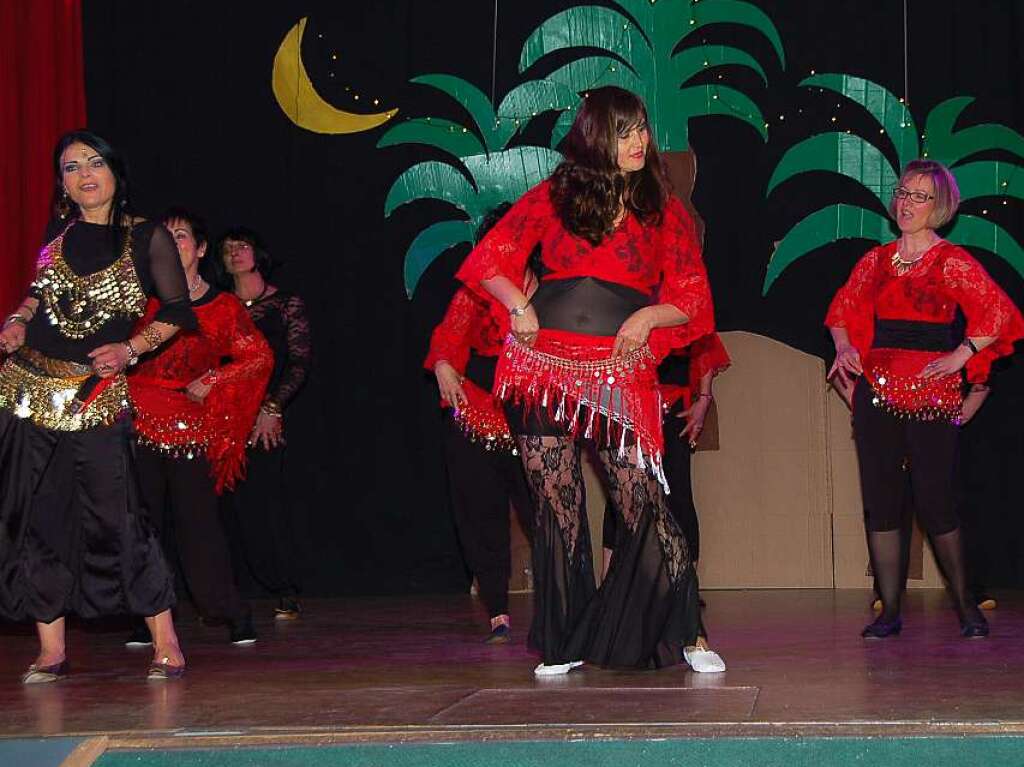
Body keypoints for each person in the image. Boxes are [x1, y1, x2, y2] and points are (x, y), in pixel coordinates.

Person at [456, 86, 725, 675]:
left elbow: (693, 297)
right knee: (558, 510)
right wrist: (517, 306)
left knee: (646, 504)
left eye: (642, 129)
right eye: (625, 131)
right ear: (596, 136)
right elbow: (490, 258)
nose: (639, 141)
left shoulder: (663, 206)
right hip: (542, 369)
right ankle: (564, 640)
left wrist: (648, 315)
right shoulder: (555, 196)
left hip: (614, 371)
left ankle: (690, 633)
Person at [0, 130, 196, 681]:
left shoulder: (146, 237)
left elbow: (178, 312)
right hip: (27, 391)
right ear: (62, 183)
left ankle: (165, 640)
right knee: (34, 516)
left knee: (118, 516)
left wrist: (131, 347)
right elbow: (40, 290)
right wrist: (17, 319)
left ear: (115, 172)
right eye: (69, 167)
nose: (83, 174)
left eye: (93, 163)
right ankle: (52, 649)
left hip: (94, 394)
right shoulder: (57, 231)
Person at [826, 159, 1024, 639]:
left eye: (919, 196)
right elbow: (841, 312)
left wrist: (961, 353)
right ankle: (889, 611)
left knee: (937, 504)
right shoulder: (875, 261)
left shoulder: (951, 260)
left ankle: (965, 607)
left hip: (933, 394)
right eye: (903, 193)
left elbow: (999, 313)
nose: (907, 203)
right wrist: (846, 346)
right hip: (877, 394)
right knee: (882, 504)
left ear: (940, 207)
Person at [127, 208, 273, 645]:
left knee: (199, 524)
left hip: (191, 426)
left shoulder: (223, 306)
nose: (174, 245)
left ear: (202, 247)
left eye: (183, 237)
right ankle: (146, 614)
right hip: (138, 420)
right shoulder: (142, 299)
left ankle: (229, 609)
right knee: (142, 523)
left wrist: (213, 379)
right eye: (165, 238)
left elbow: (258, 356)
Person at [426, 206, 536, 644]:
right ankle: (497, 607)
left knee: (546, 512)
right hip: (477, 412)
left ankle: (569, 600)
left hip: (532, 414)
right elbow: (447, 338)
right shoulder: (476, 290)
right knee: (480, 512)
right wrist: (443, 365)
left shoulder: (550, 290)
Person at [212, 228, 311, 620]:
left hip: (270, 412)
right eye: (227, 250)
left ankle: (284, 586)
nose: (235, 254)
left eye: (242, 247)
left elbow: (300, 360)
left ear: (258, 253)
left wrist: (272, 407)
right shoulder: (219, 306)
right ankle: (227, 593)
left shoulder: (284, 303)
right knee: (225, 506)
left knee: (268, 500)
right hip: (223, 415)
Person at [603, 333, 730, 580]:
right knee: (621, 487)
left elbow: (704, 342)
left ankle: (687, 587)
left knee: (677, 489)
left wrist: (704, 400)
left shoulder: (681, 301)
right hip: (630, 398)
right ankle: (609, 582)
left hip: (673, 403)